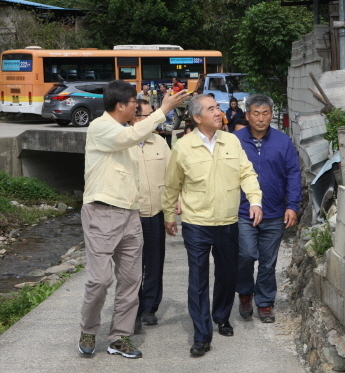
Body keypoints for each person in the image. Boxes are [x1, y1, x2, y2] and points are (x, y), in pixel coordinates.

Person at [78, 80, 188, 359]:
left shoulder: (129, 132)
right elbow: (129, 137)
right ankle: (89, 328)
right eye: (133, 105)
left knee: (130, 280)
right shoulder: (101, 127)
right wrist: (162, 110)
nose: (136, 109)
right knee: (100, 280)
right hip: (102, 212)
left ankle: (120, 337)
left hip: (131, 214)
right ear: (120, 106)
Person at [161, 94, 263, 357]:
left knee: (227, 274)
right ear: (197, 118)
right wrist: (169, 215)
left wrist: (255, 201)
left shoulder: (231, 141)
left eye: (218, 107)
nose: (218, 112)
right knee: (198, 279)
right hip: (196, 223)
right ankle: (201, 335)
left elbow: (246, 173)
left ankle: (221, 316)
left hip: (228, 221)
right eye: (211, 109)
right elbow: (172, 184)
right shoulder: (182, 147)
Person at [234, 94, 301, 323]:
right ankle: (244, 293)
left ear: (271, 115)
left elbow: (293, 174)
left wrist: (292, 206)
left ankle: (265, 302)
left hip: (274, 212)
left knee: (268, 261)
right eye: (256, 113)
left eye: (265, 113)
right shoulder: (235, 140)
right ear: (247, 115)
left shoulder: (283, 142)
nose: (261, 118)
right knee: (245, 255)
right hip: (243, 211)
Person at [131, 99, 171, 333]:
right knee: (131, 266)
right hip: (131, 214)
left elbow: (172, 177)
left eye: (144, 116)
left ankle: (149, 308)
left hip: (155, 212)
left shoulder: (160, 143)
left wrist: (171, 212)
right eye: (136, 116)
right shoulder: (124, 143)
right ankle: (132, 310)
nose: (140, 120)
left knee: (154, 262)